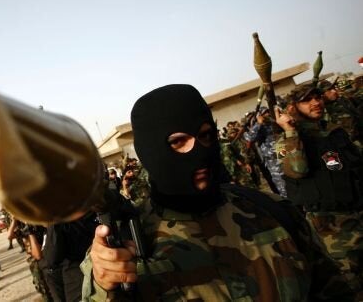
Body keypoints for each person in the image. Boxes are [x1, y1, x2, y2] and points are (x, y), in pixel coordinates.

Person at [81, 84, 354, 301]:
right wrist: (104, 286)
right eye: (178, 142)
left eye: (206, 136)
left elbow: (333, 289)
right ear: (150, 152)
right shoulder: (126, 245)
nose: (198, 151)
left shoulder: (273, 211)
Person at [275, 83, 363, 295]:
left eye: (317, 97)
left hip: (357, 212)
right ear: (293, 107)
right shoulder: (289, 140)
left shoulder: (335, 131)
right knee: (351, 283)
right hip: (332, 226)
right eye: (307, 100)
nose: (316, 102)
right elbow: (297, 170)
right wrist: (289, 131)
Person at [243, 107, 287, 196]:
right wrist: (258, 124)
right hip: (272, 159)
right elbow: (248, 138)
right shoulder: (258, 126)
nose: (267, 114)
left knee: (290, 177)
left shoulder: (274, 122)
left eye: (268, 112)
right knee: (281, 183)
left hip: (282, 153)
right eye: (265, 113)